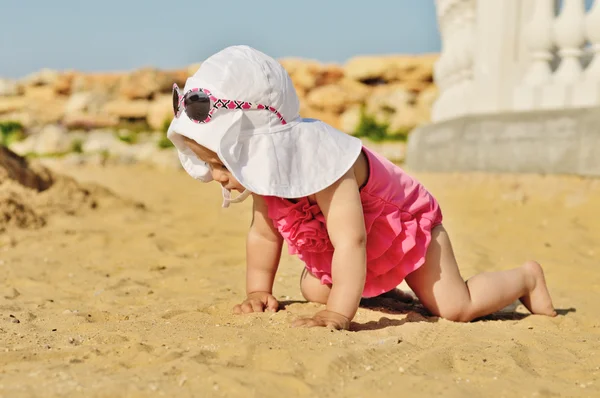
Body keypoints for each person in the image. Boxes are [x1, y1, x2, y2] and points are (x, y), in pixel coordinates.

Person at [167, 45, 556, 330]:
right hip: (352, 245)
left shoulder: (324, 161)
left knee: (455, 306)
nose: (216, 175)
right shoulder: (267, 176)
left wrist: (338, 315)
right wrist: (257, 291)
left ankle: (525, 278)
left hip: (403, 229)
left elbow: (352, 241)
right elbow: (264, 236)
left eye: (222, 162)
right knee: (315, 288)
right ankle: (383, 290)